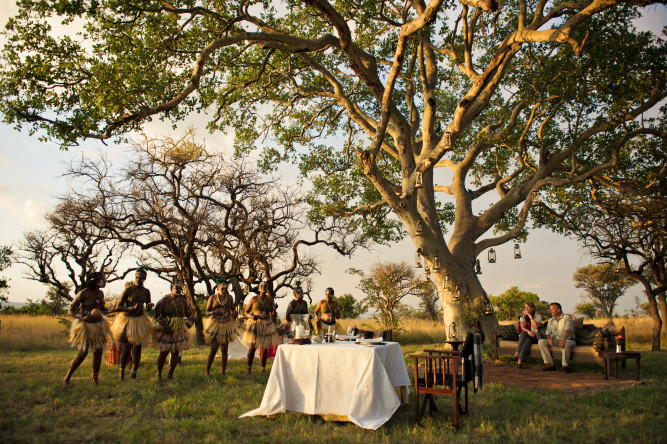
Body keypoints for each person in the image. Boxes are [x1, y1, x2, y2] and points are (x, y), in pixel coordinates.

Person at [63, 272, 111, 385]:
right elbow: (71, 310)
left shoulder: (100, 293)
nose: (103, 281)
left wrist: (109, 310)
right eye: (101, 279)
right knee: (82, 353)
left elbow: (101, 308)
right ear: (93, 281)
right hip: (84, 326)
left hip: (97, 325)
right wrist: (82, 317)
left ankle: (95, 379)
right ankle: (67, 377)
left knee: (98, 352)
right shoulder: (84, 293)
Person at [110, 268, 154, 380]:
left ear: (145, 278)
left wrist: (149, 306)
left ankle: (134, 374)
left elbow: (148, 306)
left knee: (137, 349)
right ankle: (122, 373)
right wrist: (131, 308)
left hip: (140, 321)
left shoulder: (146, 291)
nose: (139, 279)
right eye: (137, 277)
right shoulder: (128, 290)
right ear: (135, 277)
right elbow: (118, 307)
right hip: (127, 321)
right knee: (125, 349)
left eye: (141, 277)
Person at [153, 279, 195, 380]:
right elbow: (157, 315)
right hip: (167, 328)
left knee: (176, 352)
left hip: (179, 329)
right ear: (171, 288)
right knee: (164, 352)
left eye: (180, 288)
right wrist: (164, 325)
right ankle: (159, 374)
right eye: (176, 288)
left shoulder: (183, 301)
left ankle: (170, 374)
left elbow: (188, 313)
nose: (179, 290)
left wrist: (192, 317)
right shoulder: (165, 300)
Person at [242, 281, 280, 375]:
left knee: (264, 348)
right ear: (258, 288)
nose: (264, 287)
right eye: (262, 286)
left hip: (266, 324)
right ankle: (248, 369)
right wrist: (251, 316)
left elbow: (273, 314)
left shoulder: (270, 300)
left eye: (265, 286)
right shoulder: (254, 299)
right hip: (255, 324)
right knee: (252, 347)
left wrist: (274, 309)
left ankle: (262, 369)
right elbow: (246, 312)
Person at [204, 281, 240, 376]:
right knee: (214, 348)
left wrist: (234, 314)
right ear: (218, 288)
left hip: (226, 324)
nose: (224, 290)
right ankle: (207, 371)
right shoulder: (213, 298)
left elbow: (233, 310)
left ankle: (223, 372)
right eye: (222, 289)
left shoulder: (230, 298)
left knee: (224, 349)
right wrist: (214, 313)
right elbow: (207, 312)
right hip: (215, 324)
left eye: (225, 289)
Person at [538, 302, 576, 373]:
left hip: (568, 340)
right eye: (550, 309)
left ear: (558, 310)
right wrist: (549, 339)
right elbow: (548, 333)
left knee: (566, 343)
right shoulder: (550, 320)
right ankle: (550, 364)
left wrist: (563, 339)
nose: (550, 311)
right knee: (541, 342)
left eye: (552, 309)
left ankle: (565, 366)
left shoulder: (567, 318)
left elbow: (568, 330)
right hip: (556, 340)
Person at [510, 302, 543, 368]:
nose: (526, 309)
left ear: (533, 308)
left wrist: (530, 317)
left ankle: (517, 354)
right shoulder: (522, 317)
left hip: (535, 337)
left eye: (528, 307)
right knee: (527, 340)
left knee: (524, 334)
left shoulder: (538, 317)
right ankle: (519, 363)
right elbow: (522, 328)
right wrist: (528, 332)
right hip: (527, 336)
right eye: (525, 307)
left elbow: (536, 326)